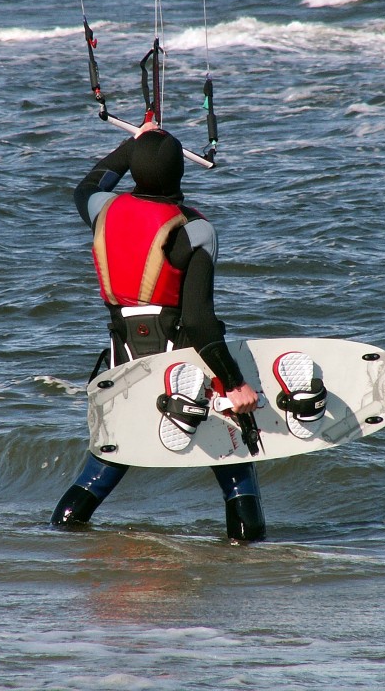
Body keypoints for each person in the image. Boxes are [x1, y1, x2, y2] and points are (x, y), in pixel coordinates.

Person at [50, 121, 266, 542]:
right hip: (183, 363)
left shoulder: (101, 210)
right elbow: (200, 323)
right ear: (180, 174)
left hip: (122, 362)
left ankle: (55, 539)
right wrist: (235, 384)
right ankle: (249, 559)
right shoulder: (195, 229)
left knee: (104, 468)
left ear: (134, 169)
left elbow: (87, 185)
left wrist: (129, 146)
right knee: (236, 466)